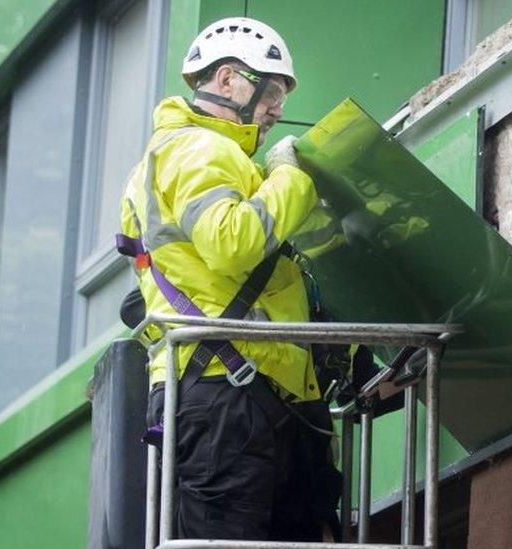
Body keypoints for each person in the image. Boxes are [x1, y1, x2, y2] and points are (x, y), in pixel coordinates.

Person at [116, 16, 340, 542]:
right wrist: (292, 178)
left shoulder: (209, 157)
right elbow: (232, 242)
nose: (278, 109)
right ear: (227, 80)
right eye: (272, 91)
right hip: (227, 392)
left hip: (239, 389)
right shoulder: (197, 150)